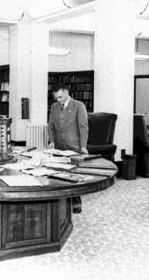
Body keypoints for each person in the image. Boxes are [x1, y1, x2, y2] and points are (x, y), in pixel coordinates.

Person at [48, 84, 88, 213]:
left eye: (60, 97)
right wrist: (52, 141)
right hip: (59, 147)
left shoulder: (78, 105)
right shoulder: (54, 107)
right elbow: (51, 126)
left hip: (74, 147)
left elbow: (83, 127)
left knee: (74, 175)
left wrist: (83, 146)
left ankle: (76, 203)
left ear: (66, 93)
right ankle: (61, 204)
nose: (58, 100)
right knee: (58, 176)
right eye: (56, 98)